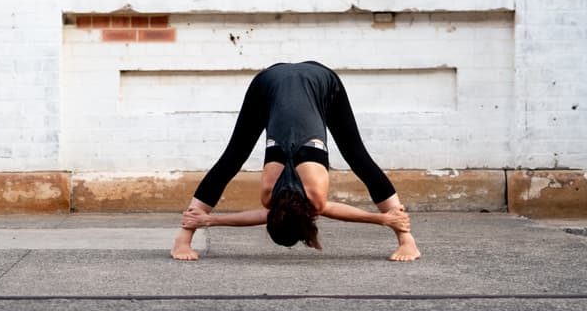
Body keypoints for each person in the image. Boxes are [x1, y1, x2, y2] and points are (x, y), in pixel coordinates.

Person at [170, 61, 421, 262]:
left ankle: (406, 239)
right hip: (280, 80)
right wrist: (208, 220)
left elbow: (319, 209)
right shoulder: (270, 195)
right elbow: (266, 213)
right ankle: (183, 238)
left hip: (300, 80)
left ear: (310, 219)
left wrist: (383, 219)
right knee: (233, 157)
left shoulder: (314, 198)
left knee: (357, 155)